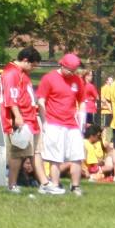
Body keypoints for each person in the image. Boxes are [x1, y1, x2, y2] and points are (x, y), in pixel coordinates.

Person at [36, 53, 95, 196]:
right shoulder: (49, 78)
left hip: (72, 124)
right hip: (54, 122)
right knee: (55, 157)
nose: (71, 73)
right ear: (62, 65)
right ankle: (54, 185)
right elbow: (41, 100)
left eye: (74, 71)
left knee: (77, 155)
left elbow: (81, 101)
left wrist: (82, 118)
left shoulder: (77, 80)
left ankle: (75, 186)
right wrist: (44, 122)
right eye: (69, 70)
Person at [0, 47, 40, 193]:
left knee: (23, 153)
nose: (33, 69)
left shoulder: (20, 72)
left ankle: (36, 182)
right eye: (33, 65)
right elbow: (11, 97)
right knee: (17, 152)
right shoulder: (11, 72)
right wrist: (17, 116)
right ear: (25, 60)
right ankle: (12, 184)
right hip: (15, 119)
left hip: (26, 117)